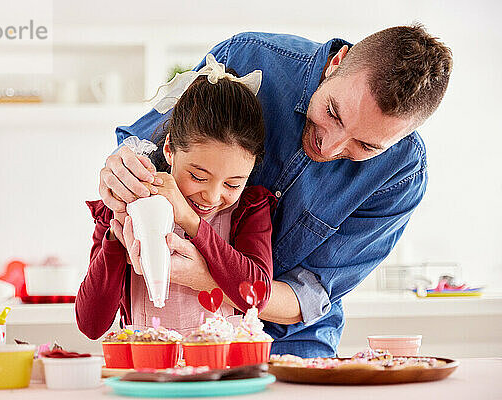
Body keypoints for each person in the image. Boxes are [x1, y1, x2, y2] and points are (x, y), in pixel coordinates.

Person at [97, 25, 453, 357]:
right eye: (333, 112)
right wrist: (121, 174)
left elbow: (308, 296)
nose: (329, 147)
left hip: (294, 341)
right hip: (188, 321)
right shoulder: (250, 59)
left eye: (365, 146)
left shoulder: (401, 175)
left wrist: (212, 278)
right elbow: (141, 145)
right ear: (337, 62)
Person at [76, 55, 277, 339]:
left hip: (223, 375)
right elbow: (90, 324)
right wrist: (116, 235)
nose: (212, 195)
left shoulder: (249, 210)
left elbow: (257, 296)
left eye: (232, 183)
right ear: (170, 149)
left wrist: (191, 221)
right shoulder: (130, 204)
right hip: (149, 374)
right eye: (197, 176)